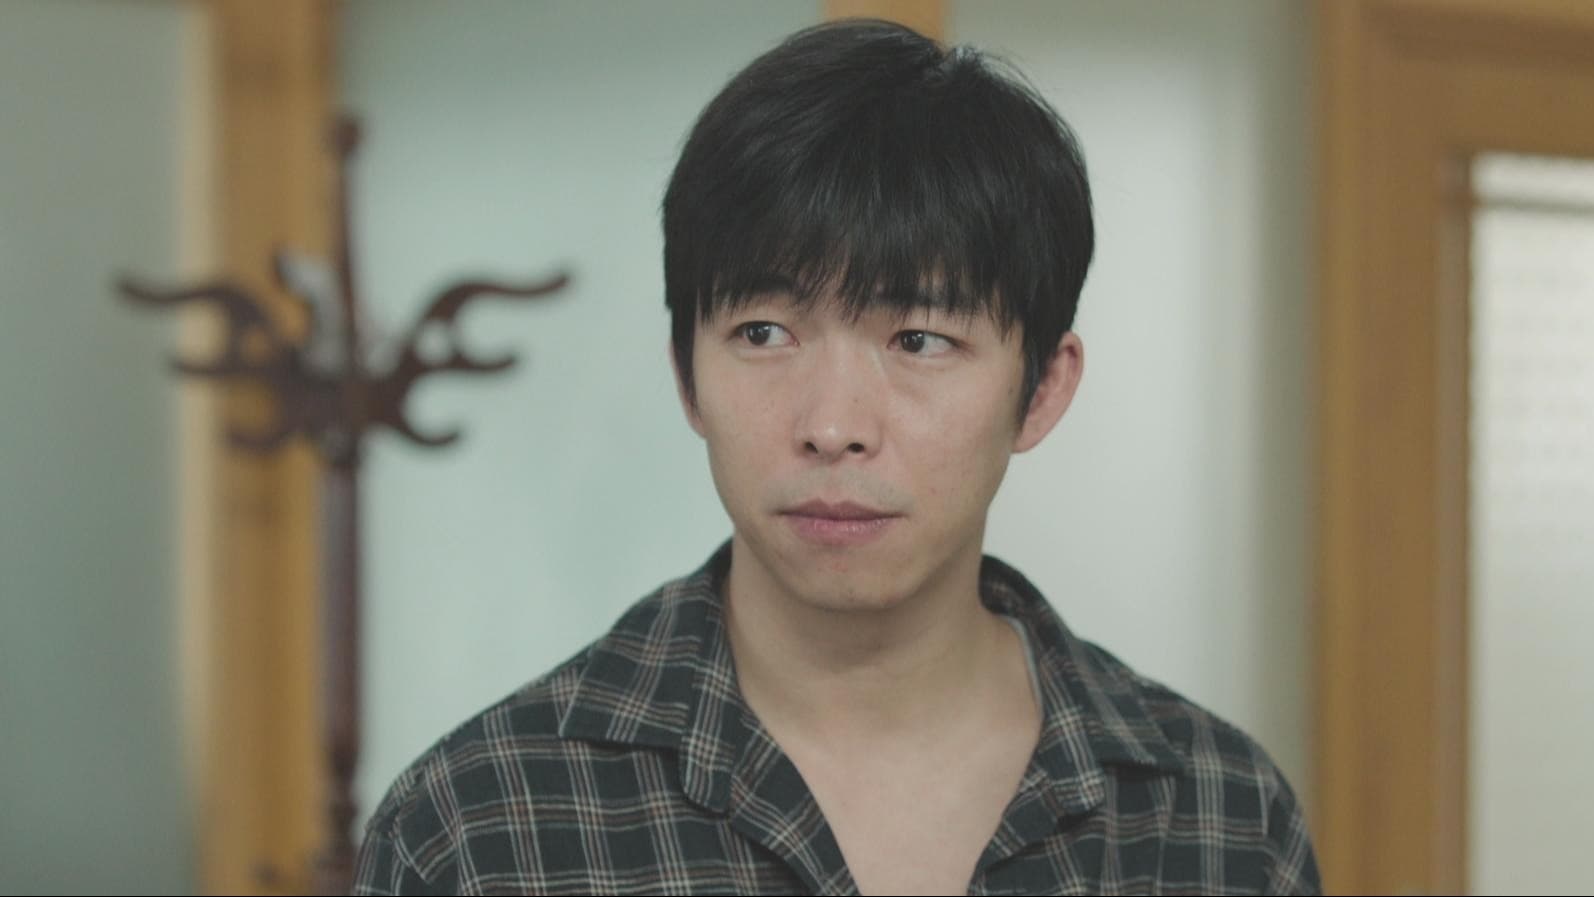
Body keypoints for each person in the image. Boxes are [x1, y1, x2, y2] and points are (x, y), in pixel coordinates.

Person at [353, 18, 1321, 896]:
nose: (832, 425)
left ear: (1041, 390)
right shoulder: (478, 829)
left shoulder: (1219, 821)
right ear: (687, 377)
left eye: (919, 340)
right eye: (764, 333)